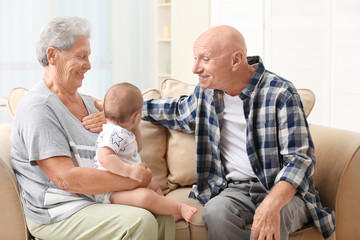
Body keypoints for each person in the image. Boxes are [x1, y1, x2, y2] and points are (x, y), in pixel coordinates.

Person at [141, 25, 336, 240]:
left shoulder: (281, 93)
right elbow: (179, 113)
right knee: (216, 213)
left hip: (283, 192)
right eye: (195, 59)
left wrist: (271, 203)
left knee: (274, 217)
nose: (195, 68)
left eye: (205, 59)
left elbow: (299, 159)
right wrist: (126, 111)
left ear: (236, 60)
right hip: (234, 190)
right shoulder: (208, 92)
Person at [11, 16, 175, 240]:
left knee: (162, 213)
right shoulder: (38, 107)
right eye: (81, 56)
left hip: (95, 199)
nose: (89, 65)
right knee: (140, 220)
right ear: (52, 55)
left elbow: (123, 146)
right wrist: (136, 179)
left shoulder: (91, 104)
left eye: (88, 56)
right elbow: (66, 179)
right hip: (59, 211)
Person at [93, 82, 198, 222]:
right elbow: (104, 157)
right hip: (111, 191)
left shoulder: (124, 132)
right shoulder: (112, 133)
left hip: (128, 183)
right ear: (137, 117)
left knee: (153, 184)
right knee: (145, 196)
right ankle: (177, 208)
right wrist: (129, 171)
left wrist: (135, 127)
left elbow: (137, 147)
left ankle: (166, 211)